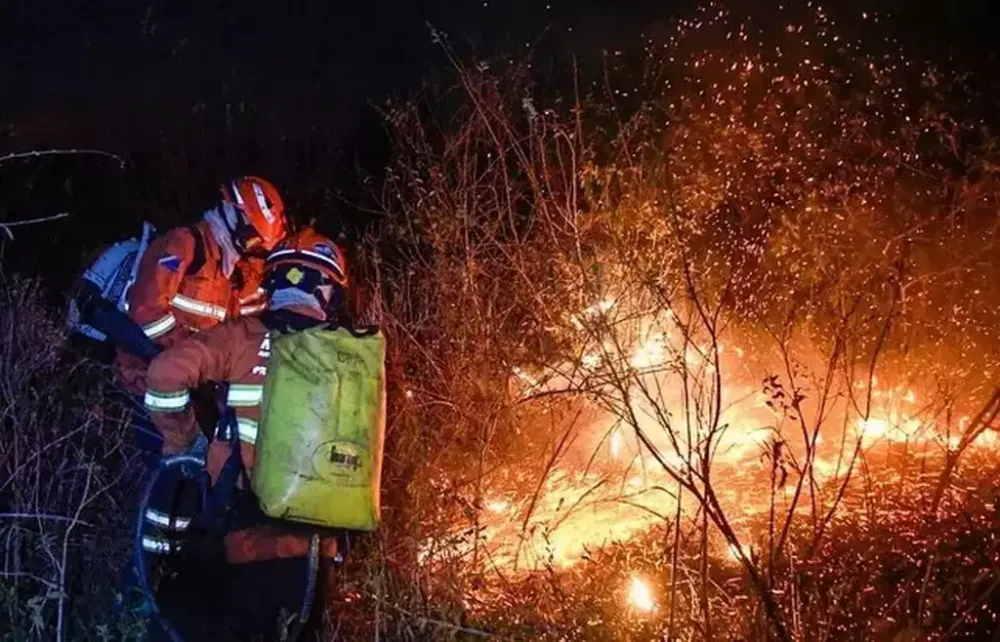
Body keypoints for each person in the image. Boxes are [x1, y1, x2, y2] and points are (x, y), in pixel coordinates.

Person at [143, 228, 348, 639]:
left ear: (271, 283)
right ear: (329, 291)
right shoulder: (351, 354)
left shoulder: (241, 337)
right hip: (316, 548)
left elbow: (164, 375)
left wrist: (185, 443)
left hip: (242, 535)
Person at [118, 176, 289, 552]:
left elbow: (250, 331)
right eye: (254, 238)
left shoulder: (240, 275)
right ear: (234, 216)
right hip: (148, 383)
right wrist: (194, 354)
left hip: (194, 392)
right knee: (164, 474)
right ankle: (138, 573)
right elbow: (147, 312)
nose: (256, 248)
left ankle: (176, 557)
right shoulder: (183, 245)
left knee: (194, 481)